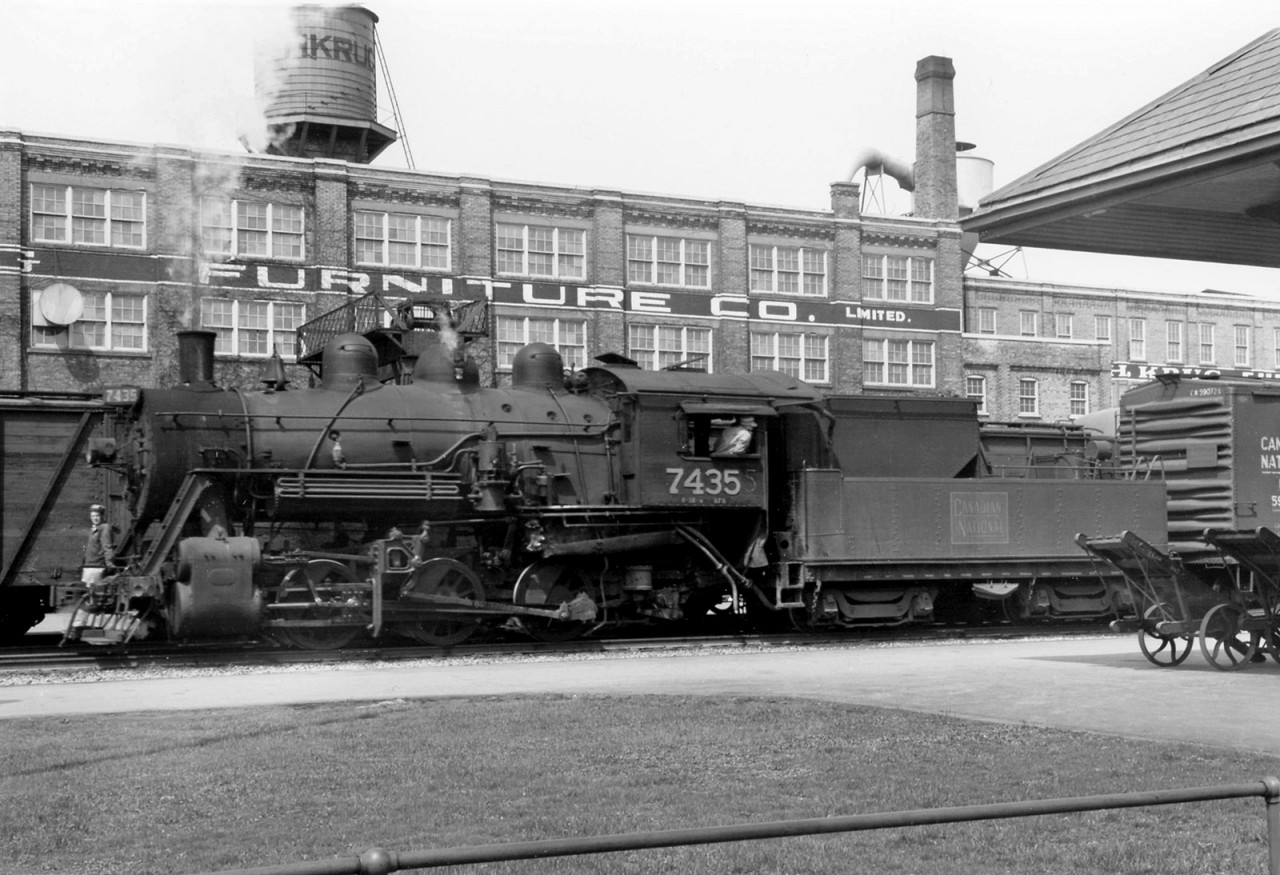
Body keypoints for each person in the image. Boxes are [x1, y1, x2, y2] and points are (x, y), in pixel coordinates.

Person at [82, 503, 116, 586]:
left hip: (97, 566)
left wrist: (109, 564)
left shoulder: (104, 528)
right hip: (89, 565)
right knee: (90, 590)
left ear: (102, 516)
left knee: (94, 591)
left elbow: (107, 546)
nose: (95, 518)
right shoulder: (94, 528)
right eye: (93, 516)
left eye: (97, 516)